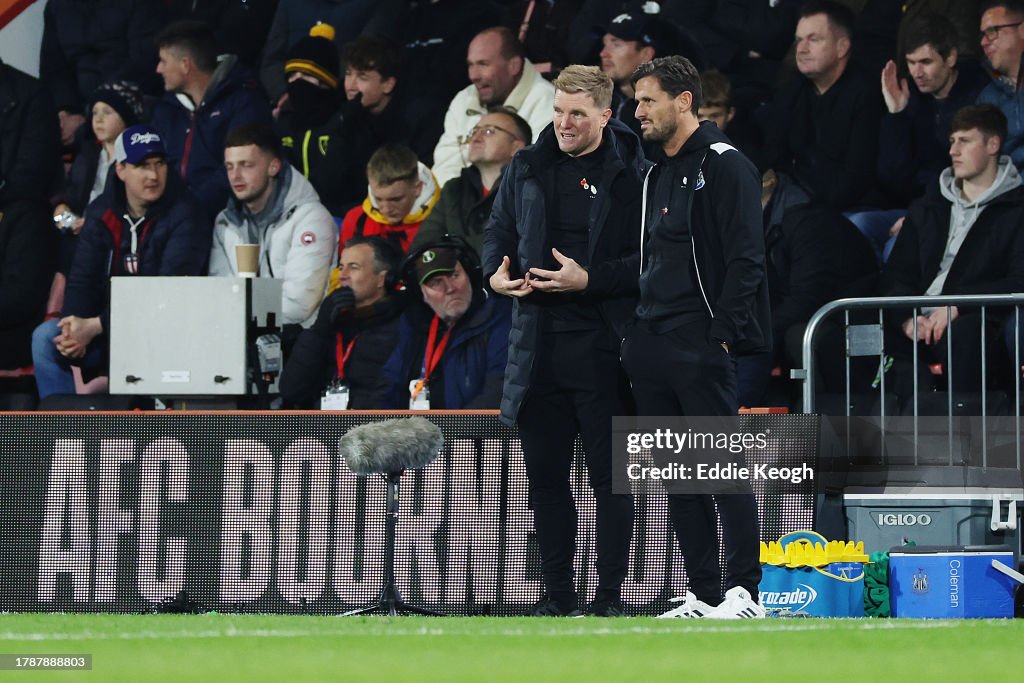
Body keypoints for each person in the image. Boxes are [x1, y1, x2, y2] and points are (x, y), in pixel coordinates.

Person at [484, 64, 646, 617]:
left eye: (577, 113)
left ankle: (607, 600)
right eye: (557, 111)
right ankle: (557, 598)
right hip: (537, 349)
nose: (564, 122)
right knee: (547, 482)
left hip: (604, 349)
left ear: (605, 114)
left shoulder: (635, 174)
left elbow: (649, 262)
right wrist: (494, 276)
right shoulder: (526, 166)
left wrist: (590, 280)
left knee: (610, 485)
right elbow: (497, 231)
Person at [624, 56, 770, 619]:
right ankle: (705, 592)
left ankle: (744, 592)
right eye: (636, 101)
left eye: (647, 100)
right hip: (653, 339)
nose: (638, 112)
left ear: (683, 101)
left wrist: (721, 337)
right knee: (679, 478)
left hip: (701, 339)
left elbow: (746, 260)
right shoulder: (654, 169)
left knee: (720, 470)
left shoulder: (727, 164)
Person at [30, 125, 210, 399]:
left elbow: (169, 295)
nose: (153, 175)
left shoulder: (186, 212)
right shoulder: (101, 212)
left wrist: (95, 326)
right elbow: (82, 280)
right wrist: (73, 328)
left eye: (159, 164)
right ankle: (65, 433)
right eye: (141, 166)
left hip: (161, 331)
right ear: (121, 170)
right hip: (107, 332)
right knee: (46, 339)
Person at [881, 104, 1024, 396]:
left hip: (976, 320)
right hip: (918, 320)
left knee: (967, 334)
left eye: (965, 140)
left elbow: (1018, 280)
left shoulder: (1018, 208)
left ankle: (965, 436)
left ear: (993, 144)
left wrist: (958, 307)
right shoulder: (927, 206)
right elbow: (897, 273)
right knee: (846, 331)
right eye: (951, 141)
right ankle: (860, 436)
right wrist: (907, 318)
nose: (953, 151)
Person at [209, 124, 338, 328]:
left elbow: (299, 306)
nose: (235, 176)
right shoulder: (225, 223)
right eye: (230, 167)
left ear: (273, 167)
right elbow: (220, 294)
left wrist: (240, 311)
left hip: (298, 343)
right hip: (241, 339)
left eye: (246, 165)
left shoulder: (311, 218)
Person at [758, 1, 881, 210]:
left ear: (842, 46)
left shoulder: (866, 95)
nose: (802, 49)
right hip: (796, 197)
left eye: (813, 39)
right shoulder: (793, 89)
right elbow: (774, 154)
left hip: (849, 209)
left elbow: (856, 179)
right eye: (798, 40)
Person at [152, 20, 273, 217]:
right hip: (173, 217)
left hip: (226, 220)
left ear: (185, 65)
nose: (158, 69)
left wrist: (186, 209)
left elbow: (240, 169)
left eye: (163, 61)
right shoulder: (167, 108)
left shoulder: (245, 101)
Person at [380, 237, 511, 410]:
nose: (450, 288)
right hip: (417, 434)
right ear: (423, 295)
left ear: (470, 275)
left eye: (454, 275)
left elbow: (499, 392)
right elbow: (387, 391)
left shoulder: (500, 318)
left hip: (470, 435)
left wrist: (452, 434)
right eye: (435, 283)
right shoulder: (414, 328)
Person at [279, 236, 405, 409]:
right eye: (340, 267)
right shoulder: (333, 321)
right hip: (326, 428)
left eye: (353, 267)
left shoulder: (403, 324)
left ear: (382, 279)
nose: (342, 276)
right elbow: (291, 390)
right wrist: (320, 328)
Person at [879, 14, 988, 207]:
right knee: (861, 223)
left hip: (948, 209)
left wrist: (919, 215)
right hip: (907, 208)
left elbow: (965, 176)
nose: (917, 73)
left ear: (951, 57)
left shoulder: (978, 96)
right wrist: (897, 114)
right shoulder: (909, 98)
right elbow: (891, 178)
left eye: (926, 62)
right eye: (911, 62)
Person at [431, 27, 555, 187]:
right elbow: (444, 167)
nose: (473, 75)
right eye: (470, 65)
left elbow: (531, 174)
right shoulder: (465, 98)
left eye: (483, 64)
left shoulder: (549, 103)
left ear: (514, 66)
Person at [51, 81, 146, 276]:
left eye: (107, 112)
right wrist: (63, 216)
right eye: (94, 113)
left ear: (126, 117)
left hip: (114, 240)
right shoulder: (88, 155)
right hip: (78, 236)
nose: (99, 119)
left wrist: (94, 223)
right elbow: (67, 197)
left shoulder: (137, 158)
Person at [410, 108, 530, 259]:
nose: (475, 138)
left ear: (516, 147)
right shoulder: (453, 190)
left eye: (488, 132)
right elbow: (422, 248)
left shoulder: (531, 189)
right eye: (473, 132)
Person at [275, 23, 348, 217]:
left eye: (307, 75)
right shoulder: (283, 125)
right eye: (292, 75)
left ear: (326, 82)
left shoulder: (345, 123)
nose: (297, 82)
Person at [338, 144, 439, 254]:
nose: (386, 209)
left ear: (417, 189)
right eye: (378, 199)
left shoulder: (442, 221)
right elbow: (341, 269)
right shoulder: (355, 221)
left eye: (395, 200)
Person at [977, 1, 1024, 170]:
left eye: (992, 31)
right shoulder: (985, 99)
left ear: (1022, 29)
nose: (983, 42)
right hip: (1008, 192)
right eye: (982, 34)